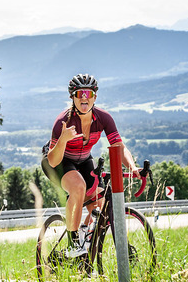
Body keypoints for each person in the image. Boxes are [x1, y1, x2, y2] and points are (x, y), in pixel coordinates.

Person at [42, 74, 140, 258]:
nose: (84, 97)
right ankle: (73, 244)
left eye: (88, 93)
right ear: (73, 96)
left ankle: (85, 242)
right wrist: (63, 139)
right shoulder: (63, 121)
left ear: (95, 96)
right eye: (80, 93)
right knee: (78, 187)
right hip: (58, 161)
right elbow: (53, 160)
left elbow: (119, 147)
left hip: (84, 160)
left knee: (101, 205)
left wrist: (132, 167)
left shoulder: (103, 118)